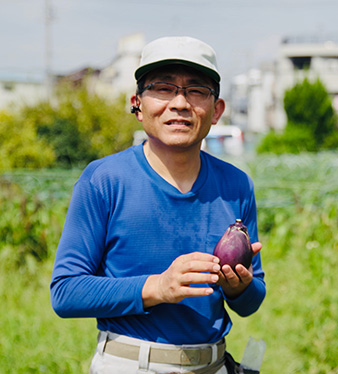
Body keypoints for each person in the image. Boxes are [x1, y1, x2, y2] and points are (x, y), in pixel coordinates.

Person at [50, 36, 266, 374]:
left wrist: (238, 288)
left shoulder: (236, 185)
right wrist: (158, 286)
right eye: (163, 88)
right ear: (137, 104)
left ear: (217, 110)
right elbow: (65, 291)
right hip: (130, 364)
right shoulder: (104, 180)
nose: (179, 103)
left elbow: (253, 299)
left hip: (214, 364)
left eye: (196, 90)